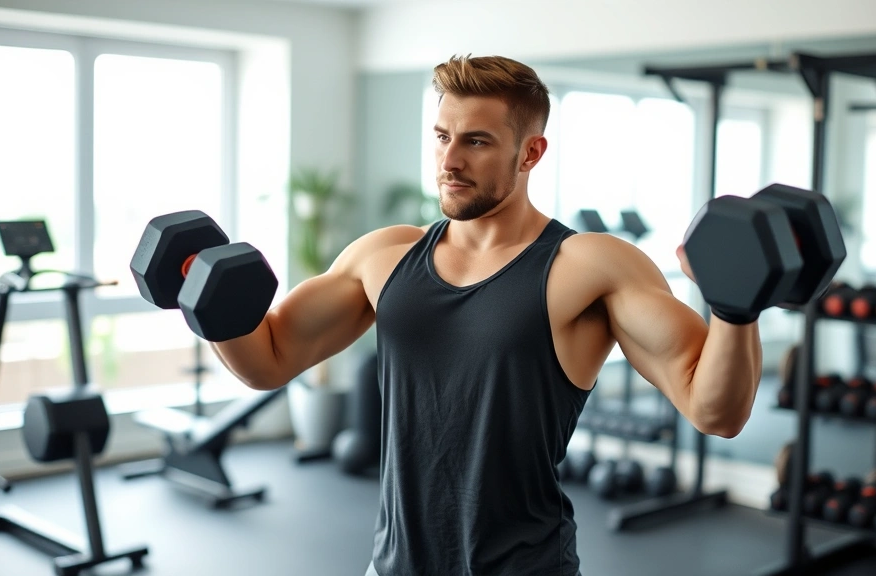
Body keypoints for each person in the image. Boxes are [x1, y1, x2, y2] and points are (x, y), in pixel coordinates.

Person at [211, 54, 762, 576]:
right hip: (393, 565)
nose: (450, 161)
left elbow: (716, 412)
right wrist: (208, 305)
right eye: (443, 137)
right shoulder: (385, 255)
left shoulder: (589, 266)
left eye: (476, 141)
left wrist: (736, 309)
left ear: (530, 153)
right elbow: (268, 359)